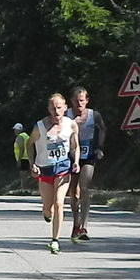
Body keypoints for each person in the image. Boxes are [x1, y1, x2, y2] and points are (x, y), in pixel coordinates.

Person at [27, 93, 80, 254]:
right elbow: (29, 144)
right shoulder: (40, 126)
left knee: (59, 203)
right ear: (49, 109)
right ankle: (46, 213)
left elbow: (75, 146)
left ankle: (55, 240)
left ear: (65, 108)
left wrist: (76, 161)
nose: (56, 111)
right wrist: (32, 164)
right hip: (44, 169)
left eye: (59, 107)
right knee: (48, 208)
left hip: (63, 168)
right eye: (53, 108)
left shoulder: (71, 125)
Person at [66, 86, 107, 242]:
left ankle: (84, 226)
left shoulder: (94, 115)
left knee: (84, 187)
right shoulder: (66, 115)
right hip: (71, 156)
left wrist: (99, 147)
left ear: (87, 101)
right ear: (71, 102)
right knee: (73, 192)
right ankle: (75, 223)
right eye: (76, 101)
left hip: (88, 155)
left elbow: (103, 128)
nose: (79, 104)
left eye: (82, 101)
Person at [12, 123, 30, 190]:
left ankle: (24, 189)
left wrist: (19, 160)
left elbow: (21, 148)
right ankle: (25, 188)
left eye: (15, 130)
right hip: (28, 157)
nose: (14, 131)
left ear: (19, 130)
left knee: (23, 175)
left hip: (23, 158)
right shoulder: (26, 136)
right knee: (26, 175)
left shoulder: (20, 137)